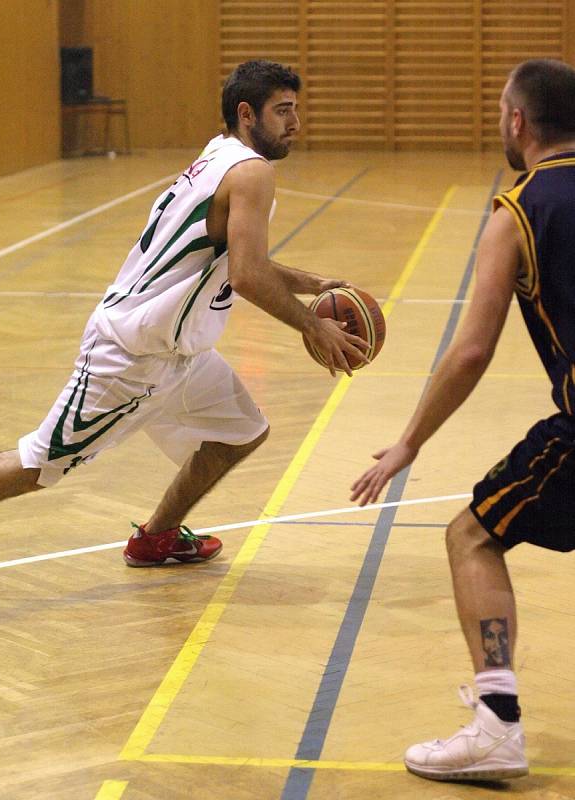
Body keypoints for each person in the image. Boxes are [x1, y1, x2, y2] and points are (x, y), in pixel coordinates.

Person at [0, 60, 368, 567]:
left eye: (296, 108)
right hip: (130, 357)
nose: (295, 122)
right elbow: (246, 275)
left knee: (242, 430)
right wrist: (312, 324)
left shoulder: (219, 155)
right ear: (248, 114)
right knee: (37, 467)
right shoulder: (252, 173)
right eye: (283, 110)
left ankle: (156, 537)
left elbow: (232, 255)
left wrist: (310, 283)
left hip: (178, 354)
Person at [351, 58, 575, 782]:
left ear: (517, 122)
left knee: (471, 536)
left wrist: (408, 441)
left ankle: (496, 725)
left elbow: (471, 350)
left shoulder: (518, 211)